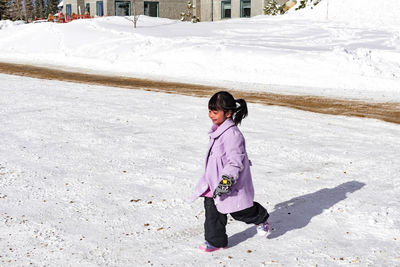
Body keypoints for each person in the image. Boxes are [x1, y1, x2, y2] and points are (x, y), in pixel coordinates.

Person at [191, 91, 270, 252]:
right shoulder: (218, 131)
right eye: (210, 111)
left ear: (228, 113)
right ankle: (216, 241)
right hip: (213, 182)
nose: (210, 115)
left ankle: (260, 217)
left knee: (238, 210)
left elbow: (235, 162)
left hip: (229, 182)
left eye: (215, 111)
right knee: (212, 211)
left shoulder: (233, 135)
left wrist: (226, 182)